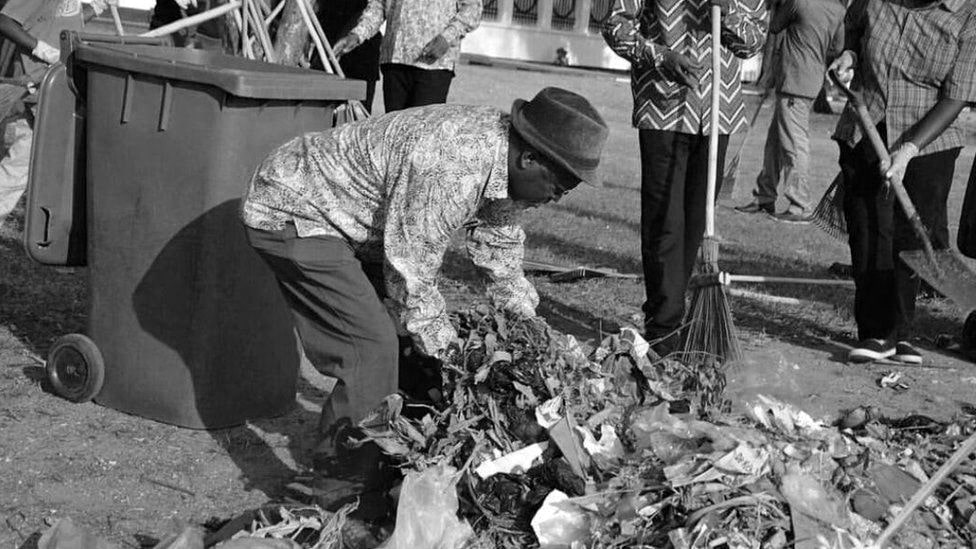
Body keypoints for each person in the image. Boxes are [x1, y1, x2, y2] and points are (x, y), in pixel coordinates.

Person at [240, 87, 608, 514]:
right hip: (297, 208)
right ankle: (337, 490)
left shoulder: (506, 162)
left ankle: (392, 458)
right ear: (531, 159)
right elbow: (410, 278)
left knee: (412, 342)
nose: (555, 199)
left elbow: (500, 249)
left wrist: (529, 333)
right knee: (370, 347)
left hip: (356, 222)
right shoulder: (452, 164)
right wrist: (459, 361)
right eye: (559, 187)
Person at [603, 0, 767, 356]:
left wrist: (729, 13)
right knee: (665, 222)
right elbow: (615, 25)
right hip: (663, 110)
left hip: (718, 113)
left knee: (694, 224)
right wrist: (662, 57)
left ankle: (684, 318)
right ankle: (663, 326)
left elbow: (754, 41)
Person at [828, 0, 976, 365]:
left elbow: (956, 95)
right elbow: (853, 29)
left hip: (930, 138)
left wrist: (909, 150)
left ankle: (901, 332)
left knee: (911, 234)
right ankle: (877, 333)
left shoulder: (968, 15)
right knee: (867, 228)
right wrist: (848, 54)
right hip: (867, 124)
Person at [736, 0, 845, 222]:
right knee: (775, 141)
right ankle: (764, 197)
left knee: (793, 144)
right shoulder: (838, 10)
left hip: (794, 78)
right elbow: (836, 48)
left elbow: (775, 25)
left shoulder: (799, 2)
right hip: (811, 77)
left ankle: (800, 204)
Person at [0, 0, 87, 225]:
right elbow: (5, 21)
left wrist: (96, 8)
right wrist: (43, 51)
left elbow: (59, 25)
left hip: (52, 87)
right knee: (21, 168)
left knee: (20, 168)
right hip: (38, 87)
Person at [332, 0, 482, 112]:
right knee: (394, 136)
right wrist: (357, 35)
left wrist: (447, 37)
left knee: (421, 137)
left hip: (432, 65)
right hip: (394, 62)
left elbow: (473, 8)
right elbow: (378, 6)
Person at [316, 0, 382, 113]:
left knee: (357, 115)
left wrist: (352, 36)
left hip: (361, 52)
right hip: (326, 46)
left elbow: (375, 10)